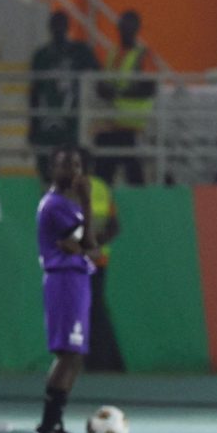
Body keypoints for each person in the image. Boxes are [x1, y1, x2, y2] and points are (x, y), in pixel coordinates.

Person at [34, 145, 97, 433]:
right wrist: (87, 200)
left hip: (77, 279)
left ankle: (53, 425)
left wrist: (85, 241)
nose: (73, 171)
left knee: (74, 355)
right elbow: (85, 244)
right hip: (64, 280)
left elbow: (88, 244)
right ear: (53, 169)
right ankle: (46, 428)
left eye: (77, 165)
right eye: (66, 165)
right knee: (67, 354)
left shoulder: (69, 206)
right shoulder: (55, 205)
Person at [28, 10, 100, 183]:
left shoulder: (80, 51)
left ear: (68, 27)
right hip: (46, 125)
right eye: (55, 25)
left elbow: (98, 74)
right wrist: (33, 124)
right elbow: (35, 91)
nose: (58, 29)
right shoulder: (41, 56)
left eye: (62, 25)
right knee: (46, 171)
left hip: (71, 125)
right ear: (50, 28)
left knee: (71, 171)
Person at [95, 9, 157, 185]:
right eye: (123, 26)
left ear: (137, 29)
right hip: (111, 123)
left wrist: (117, 93)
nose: (126, 30)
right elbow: (104, 82)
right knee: (104, 170)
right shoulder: (112, 54)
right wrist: (102, 89)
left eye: (130, 26)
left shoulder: (143, 55)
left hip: (133, 124)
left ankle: (138, 201)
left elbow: (149, 88)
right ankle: (103, 200)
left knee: (134, 174)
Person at [78, 147, 125, 372]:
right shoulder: (102, 187)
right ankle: (110, 362)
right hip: (99, 257)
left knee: (92, 310)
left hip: (82, 259)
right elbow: (115, 226)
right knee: (95, 308)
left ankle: (101, 362)